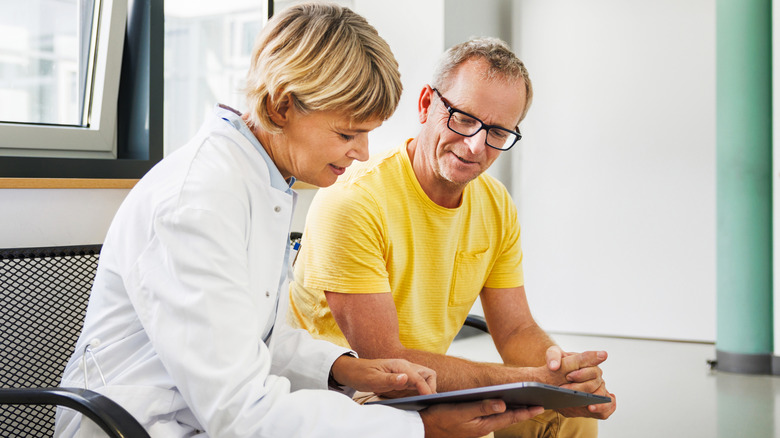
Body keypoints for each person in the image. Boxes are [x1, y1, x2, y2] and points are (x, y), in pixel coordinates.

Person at [54, 6, 544, 438]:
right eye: (348, 133)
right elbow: (242, 414)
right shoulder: (199, 201)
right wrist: (416, 428)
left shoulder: (262, 181)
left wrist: (347, 369)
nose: (363, 152)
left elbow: (257, 335)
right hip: (139, 426)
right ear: (281, 105)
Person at [289, 37, 617, 438]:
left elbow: (515, 331)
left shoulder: (495, 204)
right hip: (352, 393)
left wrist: (565, 374)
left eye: (498, 131)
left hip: (430, 386)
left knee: (571, 415)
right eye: (463, 117)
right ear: (427, 104)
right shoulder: (354, 201)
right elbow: (385, 360)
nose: (476, 144)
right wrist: (529, 379)